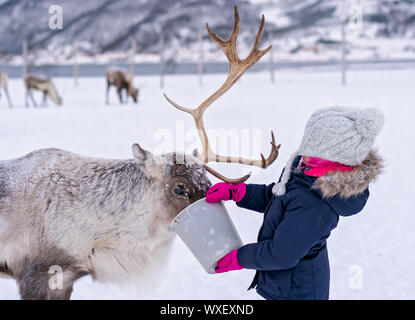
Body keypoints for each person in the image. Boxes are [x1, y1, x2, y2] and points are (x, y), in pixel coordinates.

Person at [206, 106, 385, 300]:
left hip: (299, 292)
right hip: (285, 285)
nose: (304, 151)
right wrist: (239, 193)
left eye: (313, 146)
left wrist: (239, 258)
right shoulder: (307, 169)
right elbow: (279, 198)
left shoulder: (316, 206)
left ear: (331, 155)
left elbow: (281, 254)